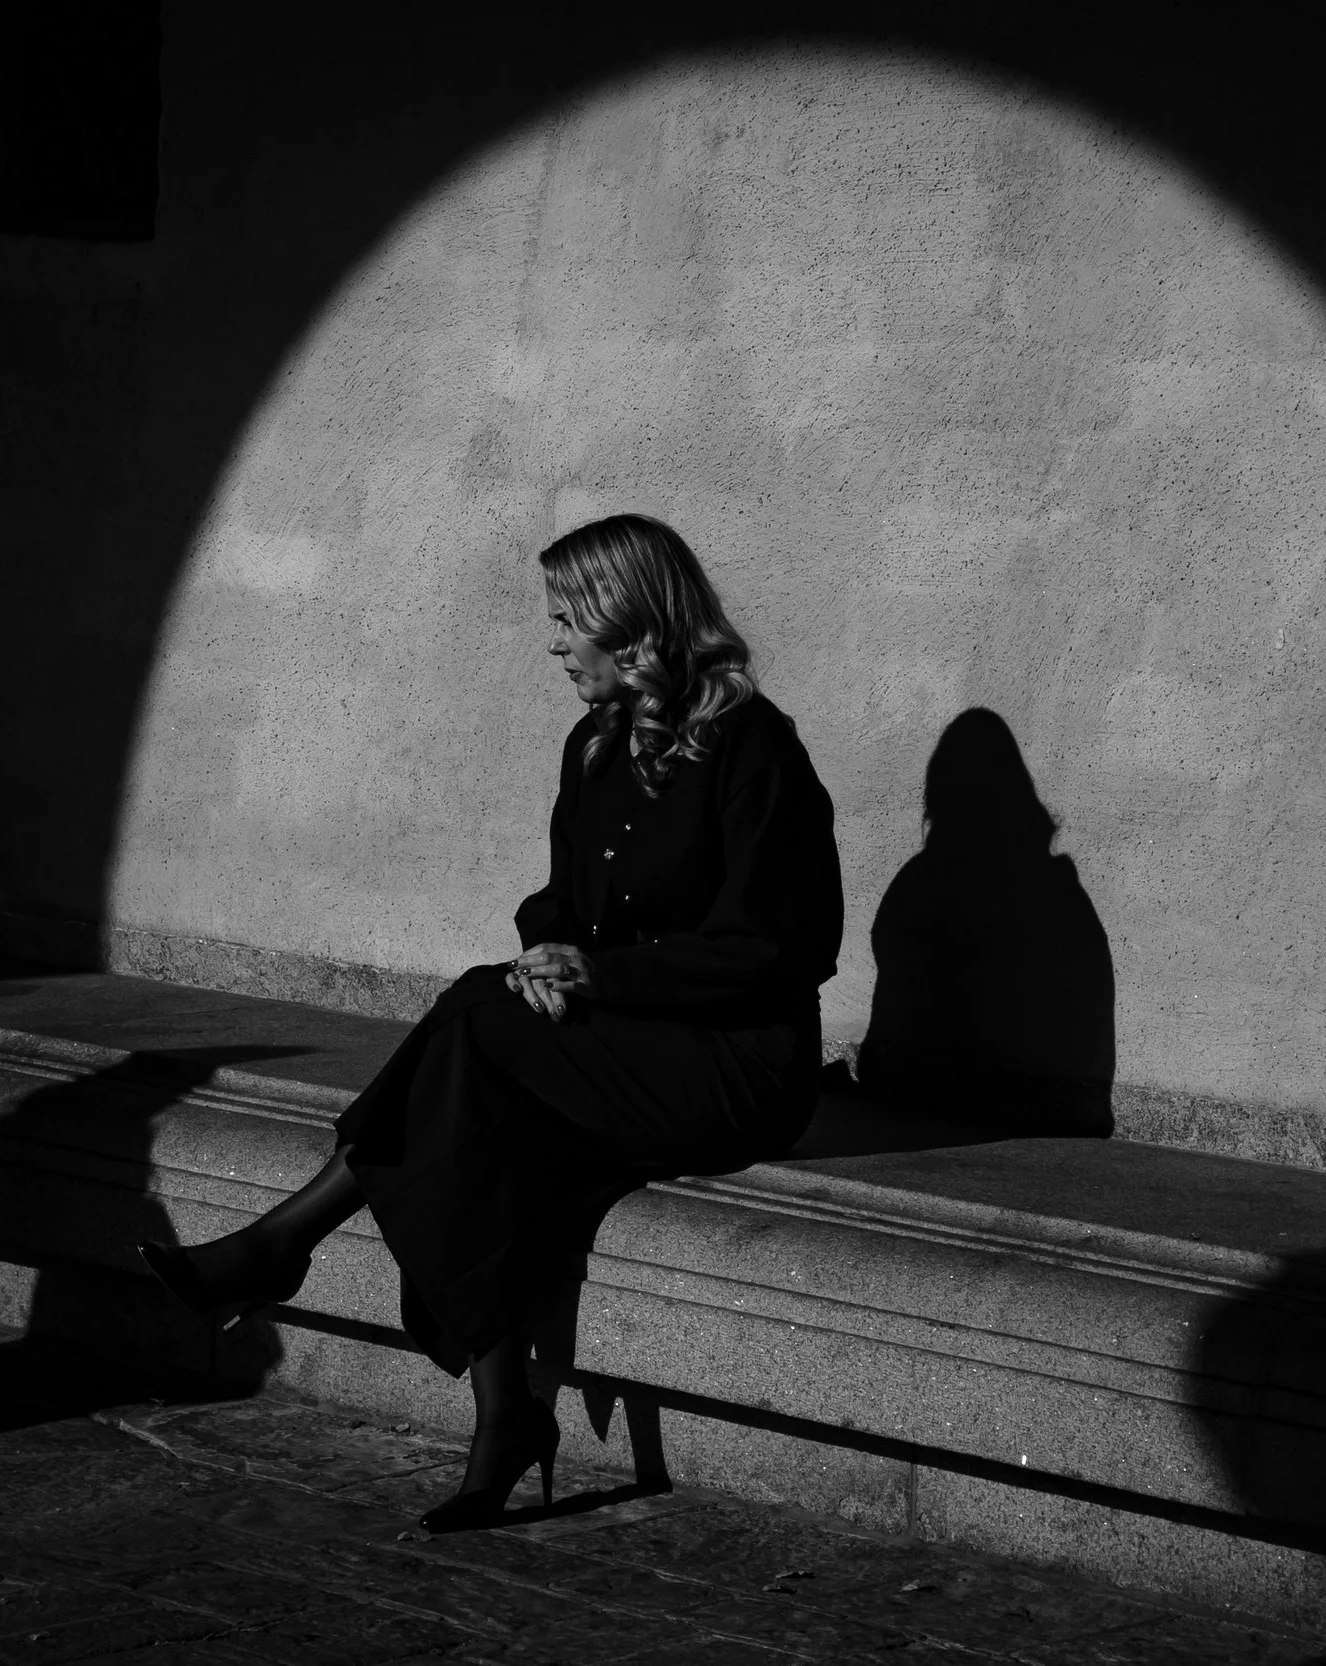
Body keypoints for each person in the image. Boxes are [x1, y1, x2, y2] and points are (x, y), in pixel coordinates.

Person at [140, 513, 844, 1531]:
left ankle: (282, 1246)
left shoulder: (754, 748)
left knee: (473, 1021)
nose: (554, 643)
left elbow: (776, 948)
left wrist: (594, 975)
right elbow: (560, 897)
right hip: (620, 1044)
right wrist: (552, 954)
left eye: (566, 621)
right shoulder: (595, 743)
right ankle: (501, 1414)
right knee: (473, 1101)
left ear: (628, 622)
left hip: (733, 1065)